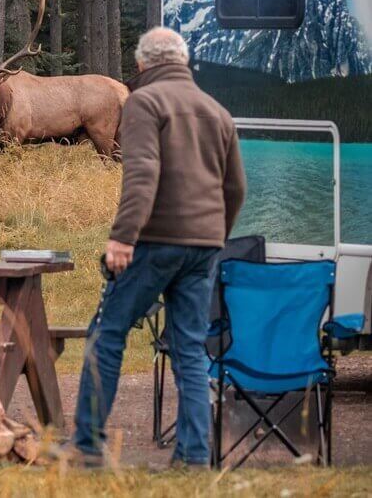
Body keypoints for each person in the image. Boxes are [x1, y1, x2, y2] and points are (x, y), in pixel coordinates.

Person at [71, 27, 246, 468]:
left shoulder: (144, 103)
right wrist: (216, 235)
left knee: (107, 334)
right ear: (183, 63)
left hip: (156, 242)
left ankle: (88, 447)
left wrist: (123, 236)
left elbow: (143, 173)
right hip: (204, 247)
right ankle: (193, 456)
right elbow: (236, 187)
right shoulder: (217, 110)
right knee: (189, 347)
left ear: (142, 65)